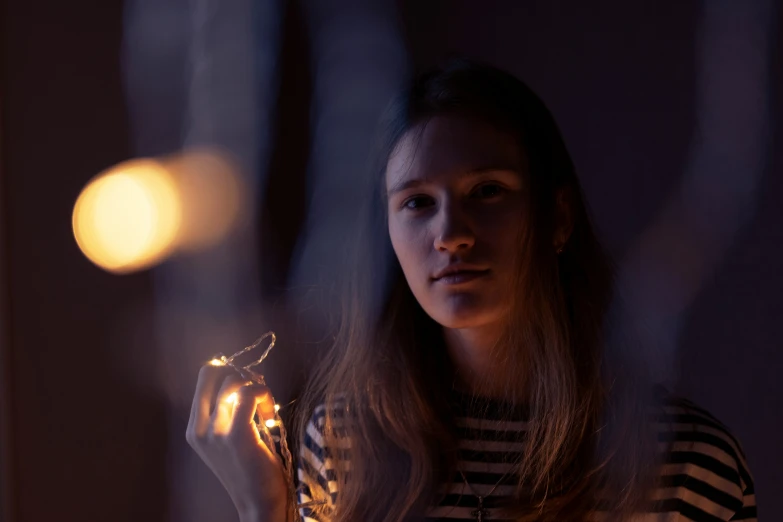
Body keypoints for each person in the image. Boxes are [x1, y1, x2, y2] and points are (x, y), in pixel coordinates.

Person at [186, 60, 756, 522]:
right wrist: (261, 505)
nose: (452, 235)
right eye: (417, 203)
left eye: (486, 191)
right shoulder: (344, 445)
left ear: (557, 217)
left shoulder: (683, 464)